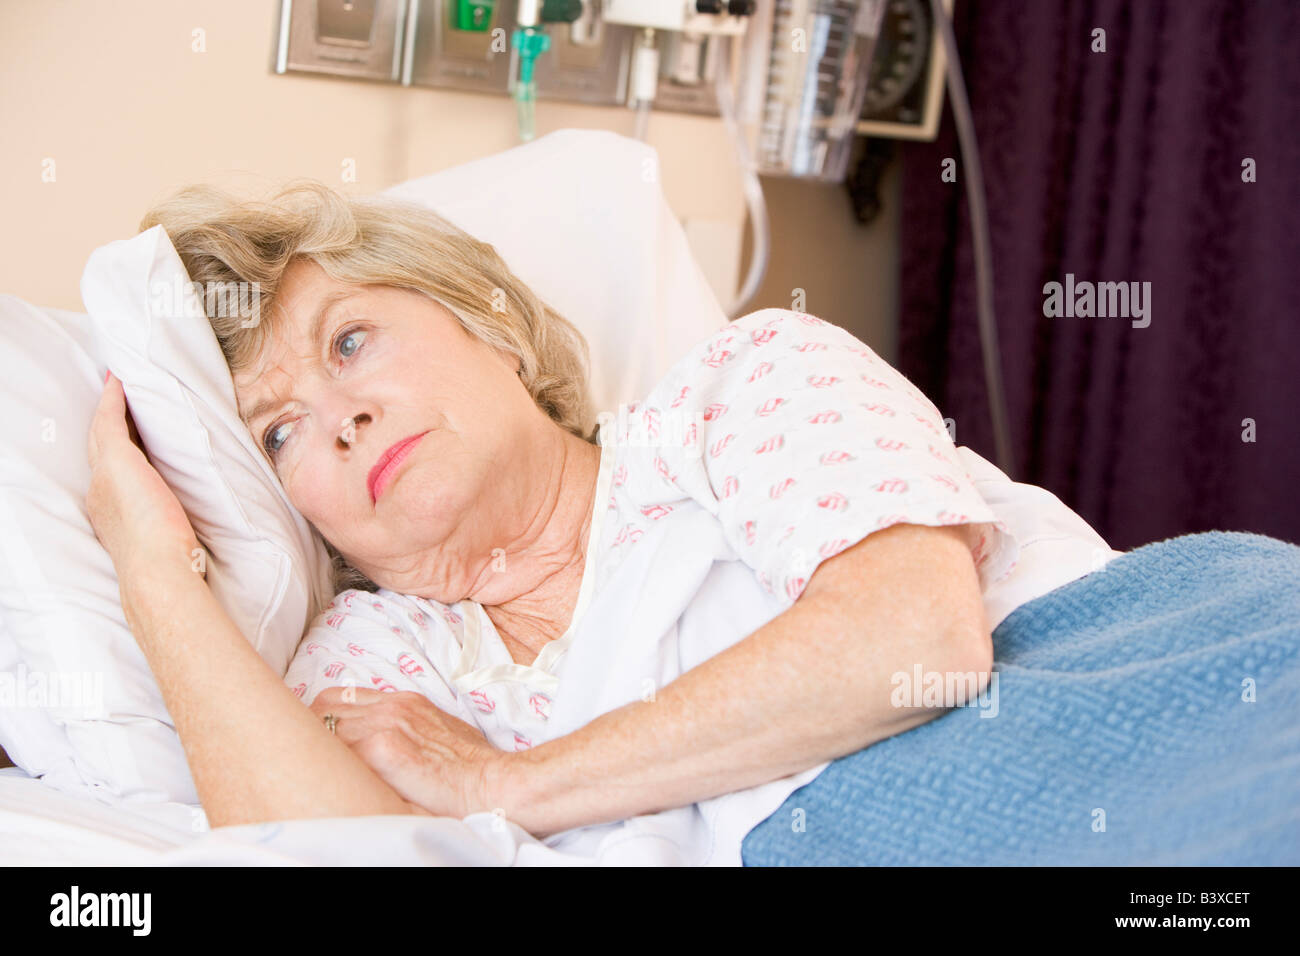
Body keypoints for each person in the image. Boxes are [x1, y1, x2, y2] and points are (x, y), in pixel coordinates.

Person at [85, 181, 1118, 864]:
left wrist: (502, 782)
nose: (341, 417)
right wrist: (155, 575)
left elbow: (912, 638)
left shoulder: (737, 387)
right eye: (278, 432)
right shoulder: (377, 661)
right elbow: (314, 856)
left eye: (350, 341)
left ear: (494, 323)